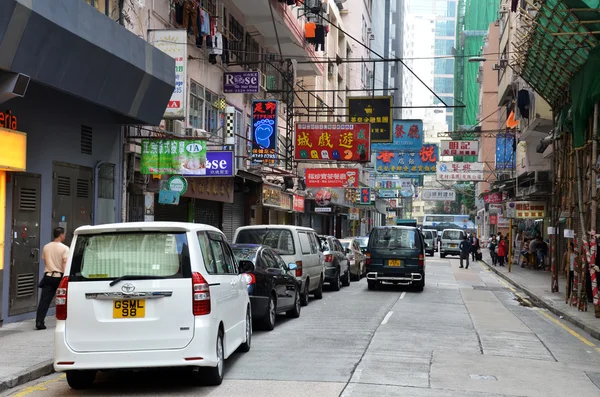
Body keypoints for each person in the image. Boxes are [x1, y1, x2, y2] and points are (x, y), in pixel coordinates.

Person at [36, 227, 69, 330]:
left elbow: (45, 261)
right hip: (59, 277)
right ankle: (66, 321)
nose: (65, 236)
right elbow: (64, 263)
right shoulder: (64, 248)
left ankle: (39, 322)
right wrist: (66, 277)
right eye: (64, 234)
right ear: (61, 235)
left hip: (48, 276)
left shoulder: (46, 247)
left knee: (44, 301)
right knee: (65, 300)